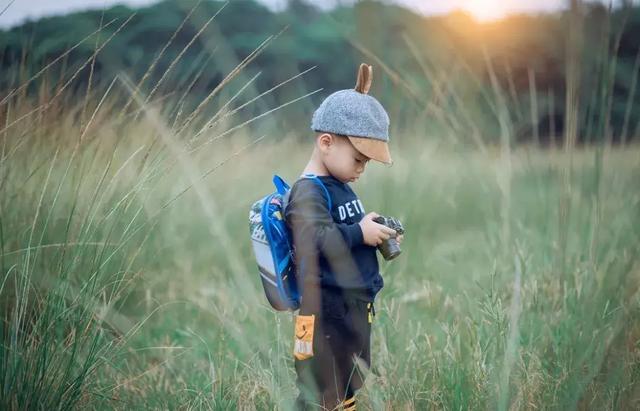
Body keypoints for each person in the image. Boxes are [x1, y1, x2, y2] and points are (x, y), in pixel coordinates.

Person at [284, 63, 403, 411]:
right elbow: (317, 238)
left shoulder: (337, 185)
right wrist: (358, 232)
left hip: (349, 308)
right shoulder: (308, 191)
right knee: (322, 387)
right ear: (326, 142)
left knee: (347, 380)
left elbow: (341, 228)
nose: (361, 169)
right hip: (325, 311)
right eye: (358, 159)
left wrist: (370, 226)